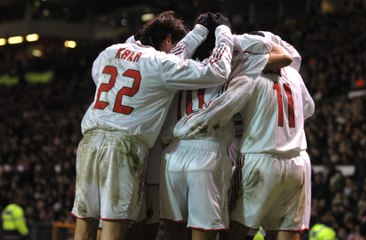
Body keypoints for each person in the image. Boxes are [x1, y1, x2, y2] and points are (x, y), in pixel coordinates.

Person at [70, 10, 235, 240]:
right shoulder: (160, 63)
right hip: (123, 145)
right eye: (175, 46)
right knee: (113, 225)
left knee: (85, 221)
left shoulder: (110, 52)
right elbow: (217, 71)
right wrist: (223, 32)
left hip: (89, 141)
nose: (180, 55)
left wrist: (197, 33)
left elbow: (102, 78)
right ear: (168, 41)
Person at [161, 14, 293, 240]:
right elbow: (284, 58)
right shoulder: (233, 66)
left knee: (173, 233)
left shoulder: (175, 68)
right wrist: (229, 34)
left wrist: (198, 32)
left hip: (172, 155)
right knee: (206, 233)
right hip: (208, 153)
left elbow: (173, 55)